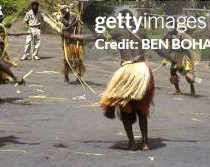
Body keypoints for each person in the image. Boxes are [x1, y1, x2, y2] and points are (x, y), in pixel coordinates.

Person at [61, 14, 156, 151]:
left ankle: (131, 143)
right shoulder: (142, 33)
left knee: (122, 106)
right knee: (142, 110)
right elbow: (159, 48)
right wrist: (174, 60)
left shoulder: (118, 32)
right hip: (143, 72)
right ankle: (145, 143)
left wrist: (71, 37)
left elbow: (94, 38)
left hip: (127, 71)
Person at [164, 28, 196, 96]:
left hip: (185, 57)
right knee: (172, 71)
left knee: (187, 73)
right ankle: (177, 90)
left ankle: (192, 87)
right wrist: (165, 59)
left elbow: (191, 43)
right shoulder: (171, 37)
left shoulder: (183, 35)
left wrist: (183, 40)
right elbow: (169, 49)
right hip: (177, 58)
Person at [59, 5, 85, 83]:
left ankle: (79, 75)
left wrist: (79, 38)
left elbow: (73, 25)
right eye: (64, 10)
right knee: (66, 59)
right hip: (67, 42)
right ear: (62, 12)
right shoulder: (62, 19)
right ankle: (66, 76)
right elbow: (66, 27)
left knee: (79, 59)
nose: (66, 11)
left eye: (66, 9)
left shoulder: (73, 17)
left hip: (76, 41)